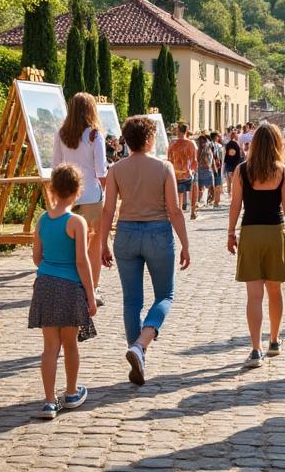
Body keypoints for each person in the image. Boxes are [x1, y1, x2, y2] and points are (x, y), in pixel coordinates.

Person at [98, 116, 191, 386]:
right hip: (158, 232)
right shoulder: (164, 167)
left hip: (126, 232)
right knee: (165, 295)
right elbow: (174, 210)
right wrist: (185, 243)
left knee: (131, 301)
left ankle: (137, 352)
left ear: (126, 140)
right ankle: (141, 346)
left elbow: (108, 209)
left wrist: (103, 242)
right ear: (150, 139)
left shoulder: (116, 169)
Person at [227, 123, 285, 368]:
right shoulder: (282, 171)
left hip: (250, 232)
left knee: (254, 296)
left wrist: (230, 232)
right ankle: (274, 340)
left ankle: (255, 349)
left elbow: (235, 205)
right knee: (275, 291)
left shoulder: (241, 171)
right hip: (275, 232)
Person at [29, 164, 97, 419]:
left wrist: (50, 266)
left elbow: (37, 257)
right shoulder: (76, 222)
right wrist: (91, 295)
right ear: (78, 191)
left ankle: (48, 401)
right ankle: (70, 392)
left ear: (53, 189)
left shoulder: (43, 220)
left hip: (45, 284)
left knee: (49, 347)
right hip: (70, 286)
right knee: (70, 344)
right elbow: (82, 261)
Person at [53, 93, 108, 306]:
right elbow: (100, 169)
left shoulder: (61, 134)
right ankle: (92, 287)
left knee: (70, 243)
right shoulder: (95, 136)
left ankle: (70, 284)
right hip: (92, 195)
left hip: (68, 194)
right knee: (94, 244)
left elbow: (57, 164)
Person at [167, 123, 198, 220]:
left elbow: (169, 158)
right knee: (192, 190)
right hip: (187, 171)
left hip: (176, 172)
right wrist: (192, 171)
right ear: (186, 131)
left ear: (177, 131)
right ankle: (193, 211)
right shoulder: (191, 143)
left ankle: (179, 212)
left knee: (179, 194)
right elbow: (194, 160)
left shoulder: (172, 143)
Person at [194, 134, 216, 211]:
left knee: (211, 186)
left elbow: (211, 160)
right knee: (201, 187)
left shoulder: (208, 148)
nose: (202, 143)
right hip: (201, 170)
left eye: (203, 141)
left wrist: (214, 167)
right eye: (200, 141)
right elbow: (197, 159)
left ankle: (210, 200)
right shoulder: (199, 149)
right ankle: (199, 202)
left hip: (207, 170)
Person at [223, 130, 244, 196]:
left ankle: (230, 193)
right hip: (234, 163)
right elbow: (239, 155)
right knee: (233, 179)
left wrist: (225, 161)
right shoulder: (237, 144)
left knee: (229, 180)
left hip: (229, 163)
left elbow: (226, 154)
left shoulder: (228, 144)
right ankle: (233, 193)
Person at [209, 132, 226, 208]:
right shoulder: (219, 146)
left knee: (210, 184)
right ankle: (216, 202)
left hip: (209, 167)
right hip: (218, 166)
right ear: (216, 137)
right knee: (217, 184)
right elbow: (222, 157)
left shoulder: (208, 145)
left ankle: (211, 200)